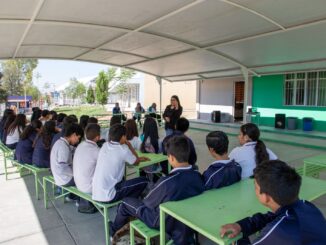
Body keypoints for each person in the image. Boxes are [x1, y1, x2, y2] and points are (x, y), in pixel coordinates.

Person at [109, 136, 205, 244]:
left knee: (125, 202)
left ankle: (112, 233)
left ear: (172, 158)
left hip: (160, 221)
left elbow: (148, 202)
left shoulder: (166, 182)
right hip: (185, 219)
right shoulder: (198, 176)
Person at [220, 160, 326, 244]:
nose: (255, 190)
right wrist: (241, 225)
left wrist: (238, 239)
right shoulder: (306, 205)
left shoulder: (280, 232)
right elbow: (271, 217)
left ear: (266, 197)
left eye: (256, 187)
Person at [92, 124, 149, 203]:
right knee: (144, 180)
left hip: (95, 193)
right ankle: (131, 202)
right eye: (125, 136)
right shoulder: (123, 149)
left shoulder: (105, 145)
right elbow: (136, 162)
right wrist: (129, 145)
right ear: (122, 137)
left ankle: (130, 200)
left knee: (127, 181)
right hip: (109, 195)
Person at [73, 123, 101, 213]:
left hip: (78, 184)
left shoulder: (80, 145)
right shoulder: (96, 151)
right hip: (88, 188)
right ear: (97, 137)